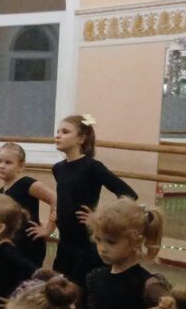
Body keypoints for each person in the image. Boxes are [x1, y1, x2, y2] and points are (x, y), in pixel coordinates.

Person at [51, 114, 137, 285]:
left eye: (65, 132)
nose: (58, 136)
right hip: (65, 241)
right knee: (61, 286)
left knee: (83, 285)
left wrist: (100, 216)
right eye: (58, 131)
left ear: (81, 139)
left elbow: (128, 194)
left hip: (86, 240)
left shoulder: (92, 167)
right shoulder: (58, 168)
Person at [0, 142, 56, 268]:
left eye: (8, 162)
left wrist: (48, 229)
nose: (1, 166)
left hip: (30, 244)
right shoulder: (1, 192)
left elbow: (56, 199)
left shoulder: (27, 183)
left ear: (21, 166)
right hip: (12, 244)